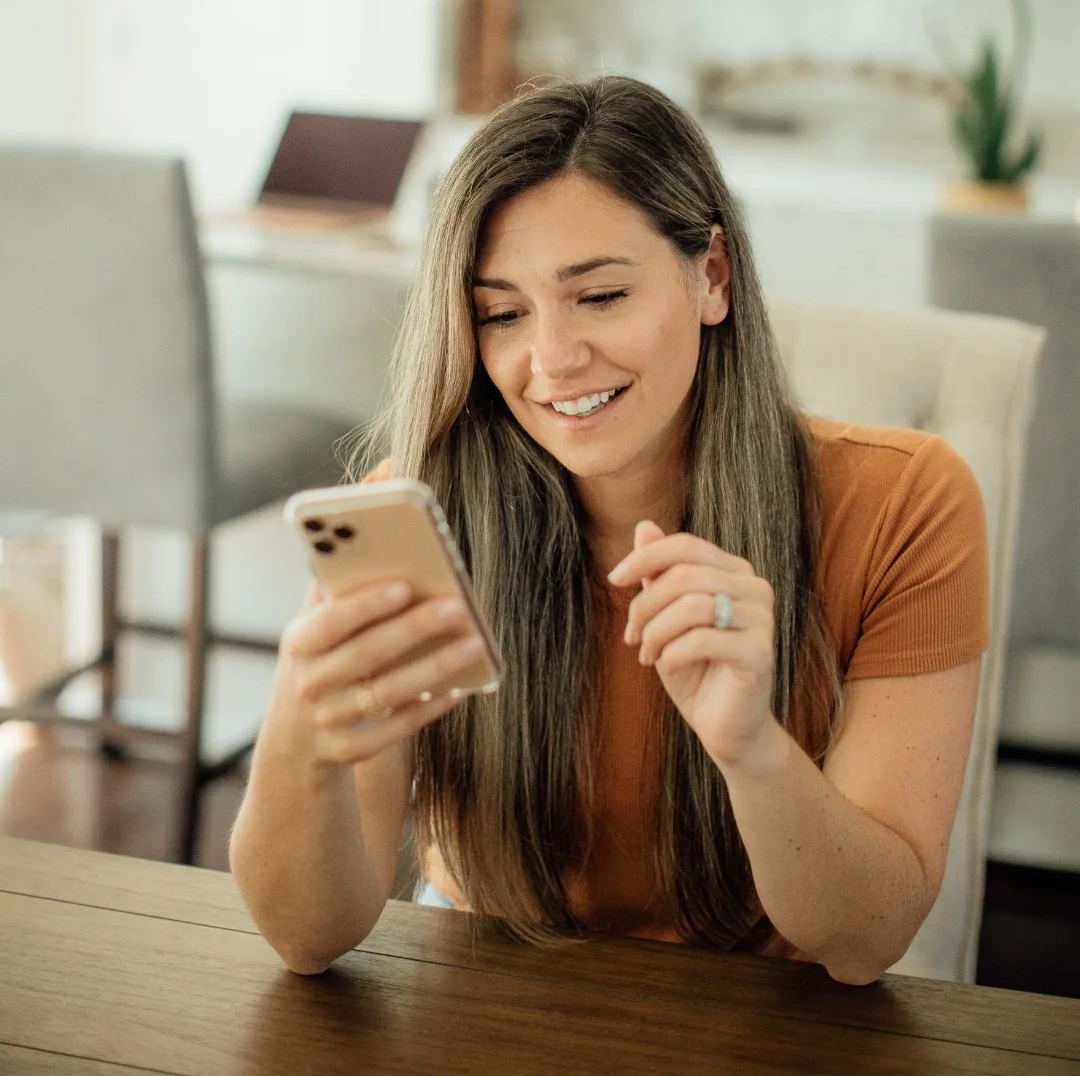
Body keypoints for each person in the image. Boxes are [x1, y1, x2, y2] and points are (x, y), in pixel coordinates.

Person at [229, 76, 987, 984]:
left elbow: (866, 941)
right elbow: (309, 938)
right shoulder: (427, 514)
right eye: (502, 314)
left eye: (598, 296)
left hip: (760, 1019)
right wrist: (299, 737)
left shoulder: (907, 505)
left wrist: (753, 750)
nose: (551, 359)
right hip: (488, 998)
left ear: (712, 276)